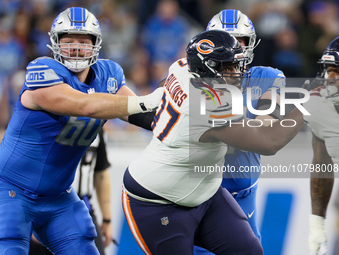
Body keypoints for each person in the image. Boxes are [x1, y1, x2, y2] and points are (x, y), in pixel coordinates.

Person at [122, 29, 305, 255]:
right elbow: (269, 142)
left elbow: (153, 105)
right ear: (206, 68)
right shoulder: (206, 106)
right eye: (227, 67)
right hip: (157, 201)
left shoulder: (180, 68)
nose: (236, 73)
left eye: (235, 65)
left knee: (249, 250)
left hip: (204, 192)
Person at [0, 7, 163, 255]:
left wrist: (184, 116)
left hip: (58, 197)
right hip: (11, 191)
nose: (76, 48)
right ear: (55, 43)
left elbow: (143, 115)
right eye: (68, 41)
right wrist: (148, 100)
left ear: (96, 44)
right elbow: (85, 104)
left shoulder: (108, 76)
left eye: (83, 41)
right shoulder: (42, 71)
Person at [194, 10, 286, 254]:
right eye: (225, 40)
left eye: (240, 41)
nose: (233, 48)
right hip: (199, 196)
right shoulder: (192, 79)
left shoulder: (267, 77)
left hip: (243, 196)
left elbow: (266, 126)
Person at [29, 130, 113, 255]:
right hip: (46, 210)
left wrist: (107, 219)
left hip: (83, 208)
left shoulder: (96, 125)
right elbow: (24, 169)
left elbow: (101, 173)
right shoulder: (45, 120)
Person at [302, 36, 339, 255]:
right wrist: (317, 223)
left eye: (338, 71)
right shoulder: (324, 107)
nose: (330, 78)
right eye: (328, 70)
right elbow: (322, 163)